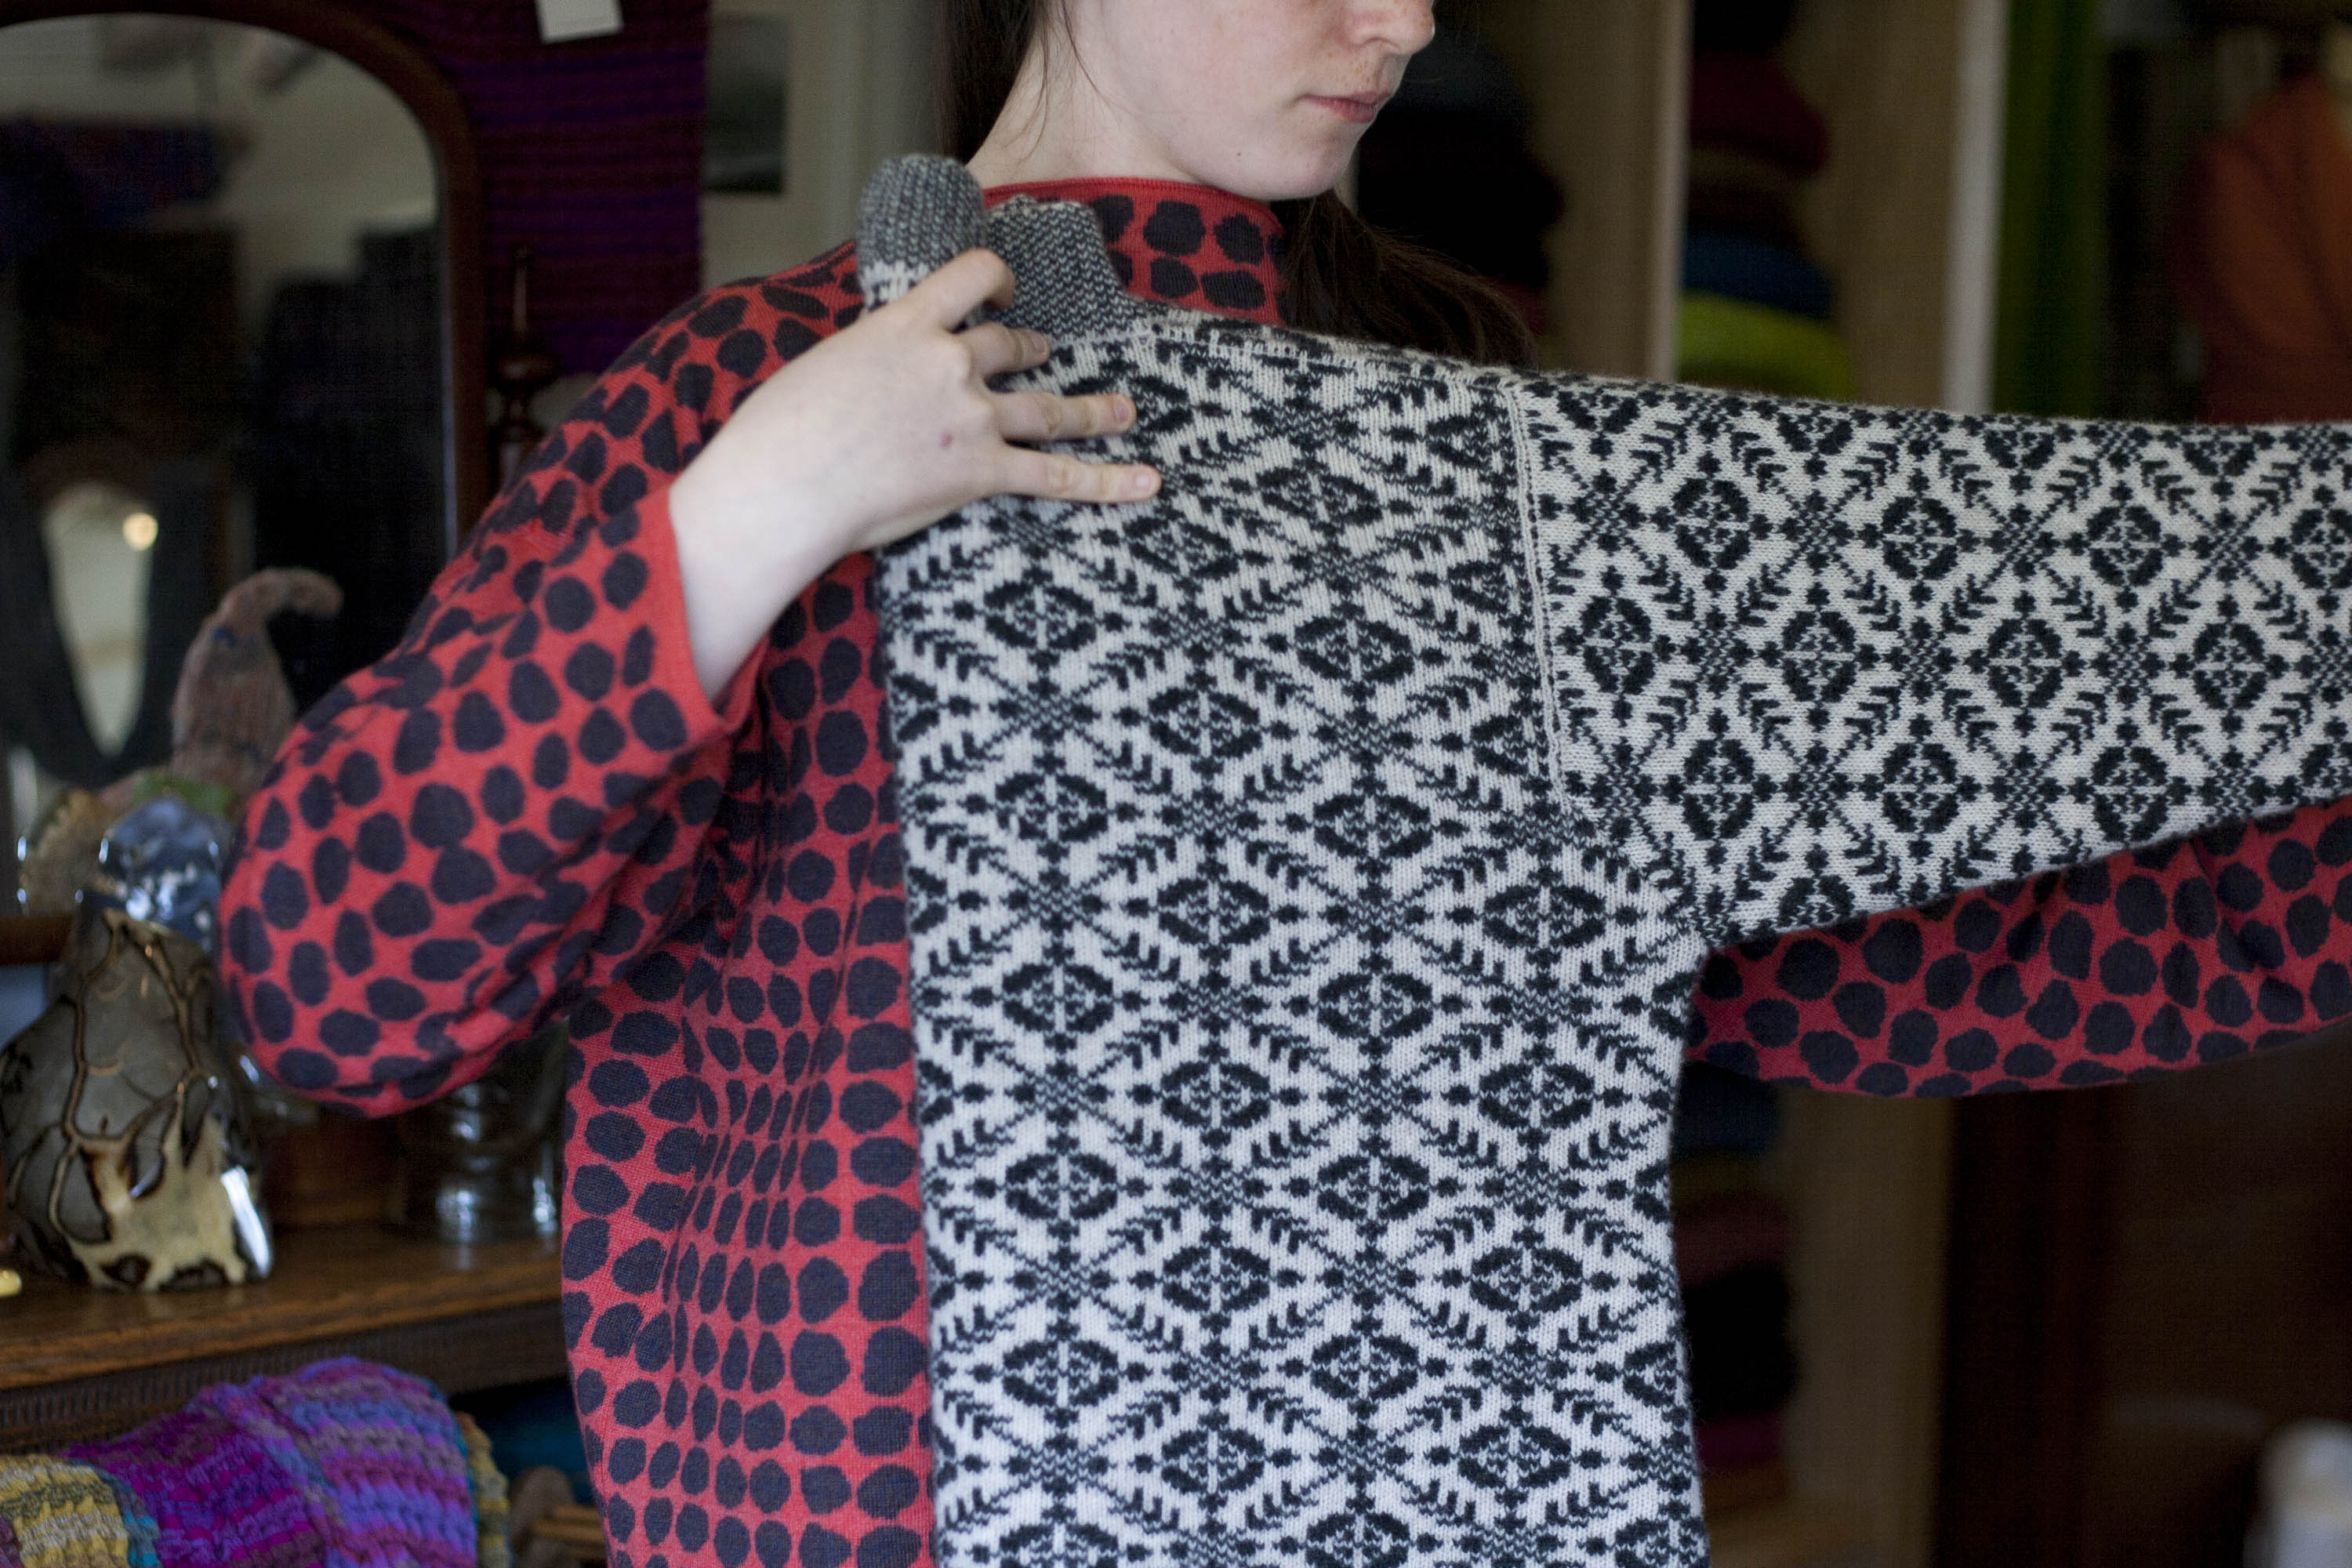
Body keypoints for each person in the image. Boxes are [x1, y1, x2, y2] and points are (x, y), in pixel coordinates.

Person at [217, 2, 2352, 1564]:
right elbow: (334, 985)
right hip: (858, 1516)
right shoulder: (731, 397)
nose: (1408, 20)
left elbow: (1826, 974)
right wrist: (756, 514)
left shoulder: (1478, 467)